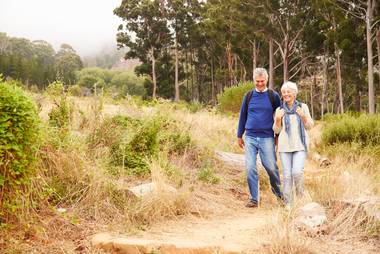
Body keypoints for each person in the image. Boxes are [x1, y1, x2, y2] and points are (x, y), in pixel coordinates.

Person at [237, 68, 283, 208]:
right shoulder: (249, 96)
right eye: (257, 81)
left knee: (271, 167)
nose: (260, 84)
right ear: (254, 81)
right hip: (250, 136)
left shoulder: (273, 96)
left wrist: (277, 135)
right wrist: (239, 135)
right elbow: (243, 115)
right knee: (250, 167)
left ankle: (279, 195)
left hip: (267, 137)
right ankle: (254, 199)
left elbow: (279, 116)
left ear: (266, 80)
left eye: (262, 81)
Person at [273, 81, 314, 208]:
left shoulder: (303, 107)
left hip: (300, 146)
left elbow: (310, 126)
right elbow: (276, 130)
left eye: (288, 92)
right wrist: (278, 119)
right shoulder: (279, 110)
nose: (286, 94)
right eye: (284, 92)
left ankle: (301, 196)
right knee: (287, 175)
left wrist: (303, 117)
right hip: (284, 147)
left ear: (294, 93)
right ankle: (288, 205)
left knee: (297, 172)